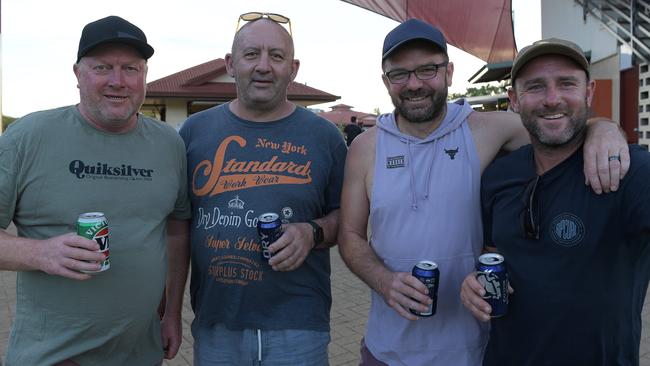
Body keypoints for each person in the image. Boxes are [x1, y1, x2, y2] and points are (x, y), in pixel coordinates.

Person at [338, 18, 630, 366]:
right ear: (386, 82)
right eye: (400, 74)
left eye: (427, 69)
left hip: (474, 352)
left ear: (448, 72)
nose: (414, 84)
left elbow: (556, 123)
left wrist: (604, 128)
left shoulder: (485, 129)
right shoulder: (366, 148)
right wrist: (383, 281)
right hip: (387, 350)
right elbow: (351, 235)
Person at [0, 15, 191, 366]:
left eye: (131, 69)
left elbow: (177, 230)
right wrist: (39, 253)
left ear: (144, 75)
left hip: (141, 353)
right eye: (102, 67)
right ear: (77, 74)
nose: (118, 81)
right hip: (54, 357)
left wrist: (172, 315)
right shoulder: (26, 137)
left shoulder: (169, 144)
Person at [460, 38, 650, 365]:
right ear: (514, 100)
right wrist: (475, 281)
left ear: (588, 93)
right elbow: (493, 251)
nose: (552, 99)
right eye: (535, 87)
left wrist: (605, 127)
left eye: (566, 84)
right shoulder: (498, 175)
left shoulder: (630, 171)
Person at [177, 12, 347, 366]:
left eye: (277, 56)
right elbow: (175, 228)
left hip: (300, 324)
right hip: (217, 323)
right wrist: (167, 311)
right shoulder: (194, 132)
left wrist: (312, 232)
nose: (264, 66)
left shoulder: (325, 137)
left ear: (294, 68)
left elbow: (348, 219)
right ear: (231, 63)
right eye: (252, 54)